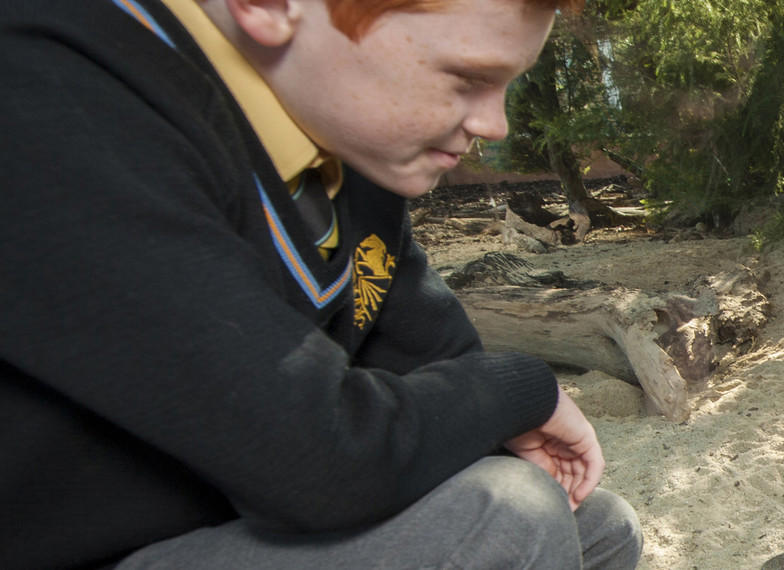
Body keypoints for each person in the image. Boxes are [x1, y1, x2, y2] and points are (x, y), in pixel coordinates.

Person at [0, 0, 643, 567]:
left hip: (232, 524)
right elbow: (324, 461)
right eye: (467, 78)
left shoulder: (338, 148)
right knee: (509, 517)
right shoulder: (57, 90)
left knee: (600, 528)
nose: (494, 125)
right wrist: (524, 389)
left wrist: (495, 418)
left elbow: (438, 363)